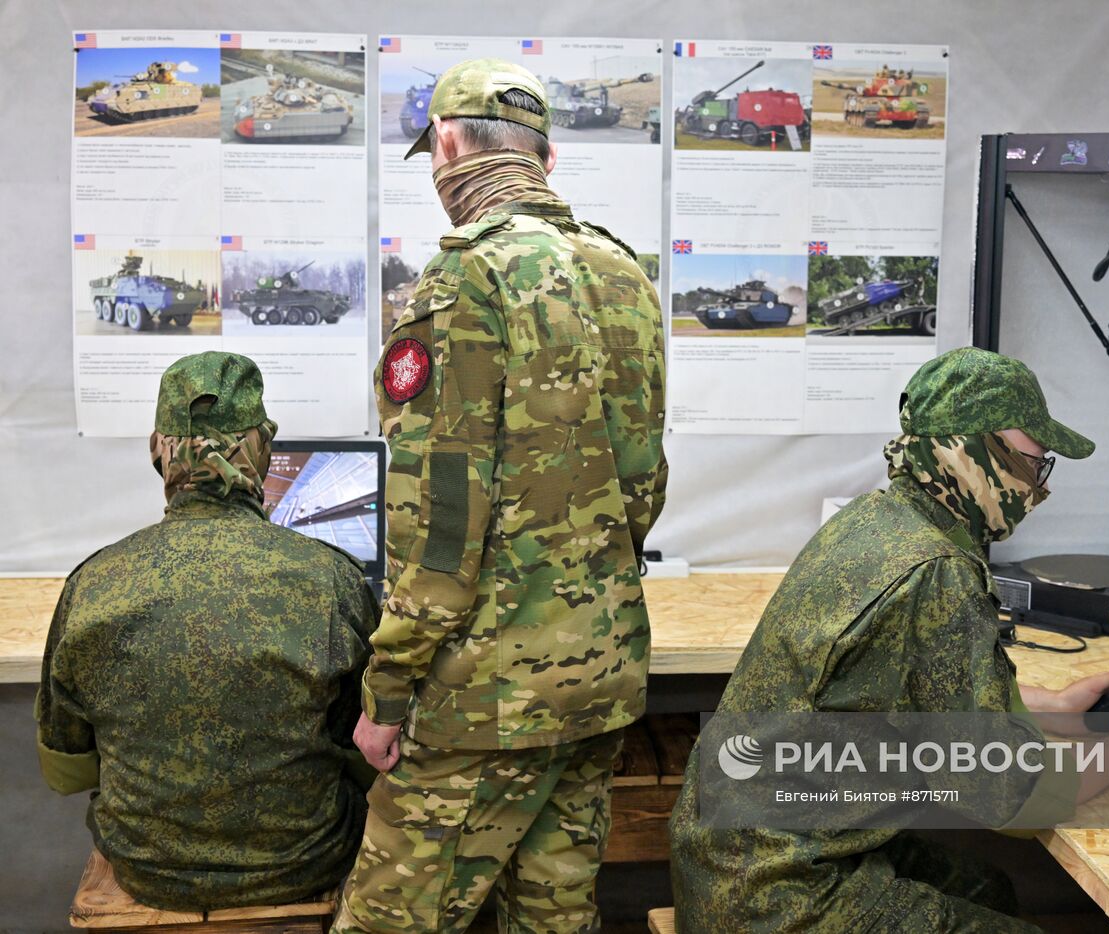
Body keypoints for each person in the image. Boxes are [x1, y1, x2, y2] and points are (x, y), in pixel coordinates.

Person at [668, 347, 1109, 932]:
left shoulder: (880, 518)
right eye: (1034, 462)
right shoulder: (937, 570)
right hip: (776, 893)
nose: (1038, 486)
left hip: (729, 851)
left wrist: (1053, 706)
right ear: (973, 454)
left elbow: (908, 690)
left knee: (988, 886)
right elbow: (1009, 796)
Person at [333, 58, 667, 933]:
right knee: (555, 918)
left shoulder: (462, 283)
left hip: (480, 699)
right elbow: (642, 487)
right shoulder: (625, 274)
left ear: (446, 147)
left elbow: (438, 531)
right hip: (599, 680)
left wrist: (388, 694)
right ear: (546, 160)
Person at [36, 352, 377, 911]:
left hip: (146, 867)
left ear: (157, 451)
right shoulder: (332, 580)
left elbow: (66, 768)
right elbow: (362, 746)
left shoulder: (92, 584)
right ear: (264, 449)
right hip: (305, 860)